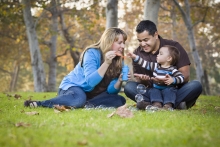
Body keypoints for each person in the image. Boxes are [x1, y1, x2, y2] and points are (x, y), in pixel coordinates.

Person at [24, 27, 128, 109]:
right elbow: (91, 82)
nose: (123, 46)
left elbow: (110, 91)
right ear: (109, 42)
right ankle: (40, 103)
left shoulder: (119, 61)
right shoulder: (92, 53)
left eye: (124, 43)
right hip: (73, 88)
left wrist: (119, 81)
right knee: (78, 99)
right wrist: (106, 63)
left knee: (119, 100)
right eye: (119, 43)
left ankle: (87, 104)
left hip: (91, 95)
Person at [124, 20, 202, 110]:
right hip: (153, 91)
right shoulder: (137, 53)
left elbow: (186, 76)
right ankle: (174, 105)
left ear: (156, 35)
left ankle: (150, 105)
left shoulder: (173, 47)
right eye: (140, 41)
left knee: (195, 85)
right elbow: (140, 82)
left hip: (173, 90)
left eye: (146, 40)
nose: (142, 44)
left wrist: (170, 80)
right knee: (129, 87)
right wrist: (144, 80)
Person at [127, 45, 184, 110]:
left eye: (161, 54)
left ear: (169, 58)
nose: (157, 55)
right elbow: (145, 63)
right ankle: (157, 105)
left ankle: (168, 105)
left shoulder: (172, 69)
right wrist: (134, 57)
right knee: (153, 90)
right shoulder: (156, 66)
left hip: (168, 89)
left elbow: (181, 77)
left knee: (170, 91)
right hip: (157, 89)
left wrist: (173, 80)